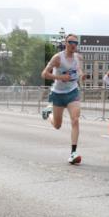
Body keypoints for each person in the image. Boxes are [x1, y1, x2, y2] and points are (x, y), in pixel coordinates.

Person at [40, 33, 83, 164]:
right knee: (57, 125)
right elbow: (44, 74)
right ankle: (48, 114)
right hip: (58, 93)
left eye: (76, 43)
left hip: (72, 92)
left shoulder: (78, 57)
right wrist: (60, 77)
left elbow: (79, 70)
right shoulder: (58, 58)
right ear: (65, 43)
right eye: (71, 42)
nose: (73, 45)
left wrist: (82, 75)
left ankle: (73, 153)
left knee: (75, 119)